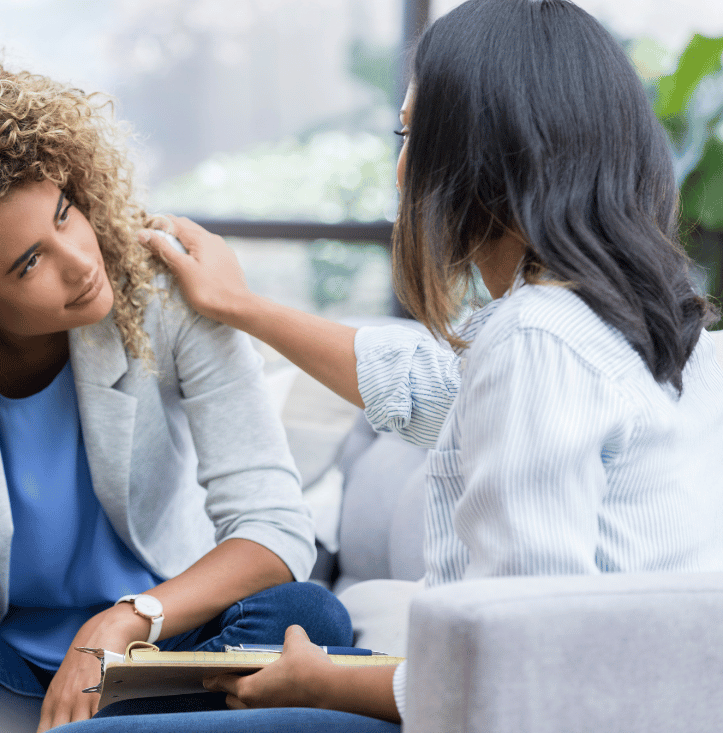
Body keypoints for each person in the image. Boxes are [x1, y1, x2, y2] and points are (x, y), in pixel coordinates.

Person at [59, 1, 723, 731]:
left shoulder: (539, 339)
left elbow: (521, 658)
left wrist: (324, 683)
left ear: (483, 152)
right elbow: (431, 390)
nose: (402, 165)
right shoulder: (635, 331)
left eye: (412, 133)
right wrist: (242, 306)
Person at [0, 50, 354, 733]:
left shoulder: (164, 294)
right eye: (29, 263)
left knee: (307, 615)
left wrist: (127, 618)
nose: (81, 261)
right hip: (2, 678)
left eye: (64, 213)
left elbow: (275, 527)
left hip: (156, 665)